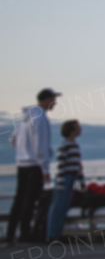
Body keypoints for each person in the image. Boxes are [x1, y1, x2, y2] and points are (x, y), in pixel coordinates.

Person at [6, 88, 58, 245]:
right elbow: (40, 146)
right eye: (54, 99)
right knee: (30, 201)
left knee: (19, 200)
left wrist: (23, 150)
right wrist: (45, 169)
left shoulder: (26, 118)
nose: (55, 103)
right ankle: (25, 235)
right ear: (47, 99)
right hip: (34, 165)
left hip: (22, 164)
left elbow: (13, 140)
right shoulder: (40, 118)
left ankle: (10, 233)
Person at [47, 120, 84, 241]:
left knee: (65, 206)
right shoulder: (65, 145)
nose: (80, 129)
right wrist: (61, 181)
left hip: (72, 177)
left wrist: (81, 180)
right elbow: (61, 164)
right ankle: (52, 234)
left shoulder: (75, 145)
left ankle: (57, 233)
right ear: (71, 130)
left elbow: (77, 164)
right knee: (59, 206)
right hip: (65, 177)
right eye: (78, 128)